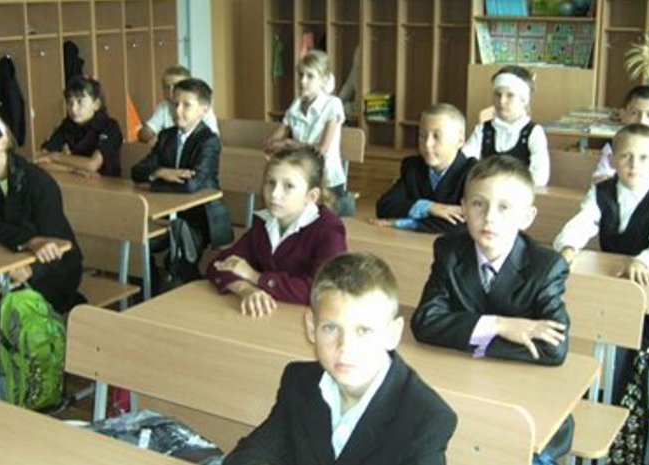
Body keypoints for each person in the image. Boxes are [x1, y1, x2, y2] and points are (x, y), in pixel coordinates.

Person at [224, 252, 457, 465]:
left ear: (392, 334)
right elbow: (256, 451)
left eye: (364, 331)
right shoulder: (299, 381)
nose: (345, 348)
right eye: (330, 328)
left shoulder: (425, 418)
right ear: (311, 327)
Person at [411, 155, 572, 463]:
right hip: (461, 388)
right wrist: (500, 326)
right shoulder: (449, 251)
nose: (489, 218)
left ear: (527, 216)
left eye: (504, 207)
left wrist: (468, 336)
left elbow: (554, 349)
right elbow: (425, 322)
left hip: (526, 402)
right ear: (463, 207)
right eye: (478, 204)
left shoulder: (546, 266)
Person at [554, 124, 649, 383]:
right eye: (626, 156)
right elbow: (583, 222)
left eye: (643, 158)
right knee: (597, 328)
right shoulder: (601, 190)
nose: (634, 164)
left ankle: (639, 391)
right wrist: (568, 246)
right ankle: (602, 384)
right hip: (611, 277)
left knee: (647, 350)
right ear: (612, 160)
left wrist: (643, 261)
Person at [0, 108, 84, 314]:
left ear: (2, 142)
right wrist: (30, 242)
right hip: (12, 255)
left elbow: (59, 248)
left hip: (55, 271)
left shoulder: (39, 184)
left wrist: (31, 271)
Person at [207, 149, 347, 314]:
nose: (274, 194)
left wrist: (255, 276)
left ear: (311, 196)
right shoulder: (265, 221)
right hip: (267, 314)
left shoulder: (329, 230)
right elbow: (220, 264)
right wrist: (245, 289)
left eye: (288, 186)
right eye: (270, 182)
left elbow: (322, 291)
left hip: (304, 320)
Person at [131, 78, 232, 250]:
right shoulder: (166, 136)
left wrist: (152, 184)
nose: (177, 110)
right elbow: (137, 171)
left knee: (178, 238)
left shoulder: (209, 140)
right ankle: (150, 267)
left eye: (186, 105)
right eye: (175, 104)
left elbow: (191, 185)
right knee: (136, 236)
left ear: (203, 110)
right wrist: (161, 172)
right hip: (168, 210)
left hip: (201, 215)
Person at [262, 50, 352, 215]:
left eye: (310, 76)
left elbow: (322, 149)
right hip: (301, 175)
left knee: (313, 220)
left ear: (323, 80)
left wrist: (290, 144)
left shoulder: (333, 104)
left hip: (327, 179)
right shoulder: (296, 104)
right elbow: (273, 140)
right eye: (300, 75)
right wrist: (274, 143)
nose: (303, 81)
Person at [373, 104, 476, 234]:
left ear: (460, 140)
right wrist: (429, 207)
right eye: (422, 135)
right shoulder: (413, 167)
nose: (427, 144)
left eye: (436, 136)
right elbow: (384, 207)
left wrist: (404, 223)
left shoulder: (474, 173)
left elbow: (470, 223)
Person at [461, 65, 550, 187]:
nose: (502, 101)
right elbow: (464, 164)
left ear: (524, 100)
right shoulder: (482, 130)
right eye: (498, 94)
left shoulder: (534, 133)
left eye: (510, 95)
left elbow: (539, 177)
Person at [37, 75, 123, 178]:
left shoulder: (110, 126)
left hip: (108, 183)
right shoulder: (68, 125)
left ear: (96, 104)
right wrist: (72, 170)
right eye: (69, 102)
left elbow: (92, 165)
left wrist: (55, 157)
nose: (73, 109)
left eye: (80, 102)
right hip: (79, 179)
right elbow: (40, 161)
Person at [137, 65, 220, 143]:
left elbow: (214, 137)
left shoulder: (200, 108)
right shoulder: (164, 106)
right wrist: (146, 133)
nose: (171, 91)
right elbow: (147, 132)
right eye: (167, 87)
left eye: (176, 86)